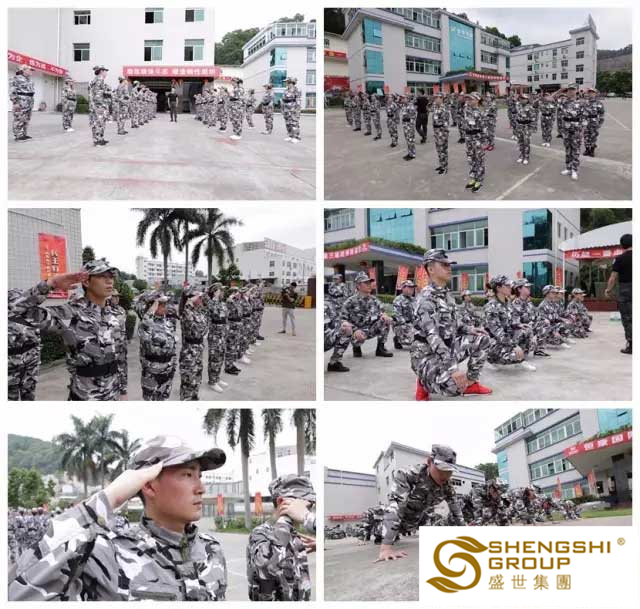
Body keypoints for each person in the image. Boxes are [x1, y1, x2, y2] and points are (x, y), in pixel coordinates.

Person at [9, 436, 228, 600]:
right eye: (188, 475)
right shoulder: (107, 554)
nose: (201, 488)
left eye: (200, 476)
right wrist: (110, 497)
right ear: (149, 486)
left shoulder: (212, 549)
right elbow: (16, 593)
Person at [8, 259, 127, 400]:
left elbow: (121, 354)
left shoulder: (116, 314)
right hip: (85, 395)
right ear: (86, 282)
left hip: (113, 392)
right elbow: (13, 311)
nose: (109, 281)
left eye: (111, 276)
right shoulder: (70, 313)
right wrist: (51, 284)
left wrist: (123, 390)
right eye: (102, 276)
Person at [411, 249, 492, 400]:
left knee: (483, 339)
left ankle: (471, 383)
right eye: (444, 265)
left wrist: (470, 329)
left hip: (447, 349)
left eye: (449, 265)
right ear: (430, 269)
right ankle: (423, 382)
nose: (449, 268)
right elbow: (433, 338)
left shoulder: (447, 295)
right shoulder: (425, 299)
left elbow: (455, 324)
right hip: (427, 355)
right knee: (454, 387)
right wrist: (453, 368)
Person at [378, 445, 465, 562]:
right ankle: (382, 534)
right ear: (429, 462)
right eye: (441, 469)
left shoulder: (447, 487)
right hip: (396, 519)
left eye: (449, 471)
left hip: (416, 521)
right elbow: (396, 506)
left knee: (436, 518)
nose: (445, 475)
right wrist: (386, 548)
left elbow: (457, 513)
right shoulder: (408, 475)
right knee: (382, 529)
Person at [246, 475, 316, 601]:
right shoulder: (260, 533)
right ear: (280, 502)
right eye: (305, 505)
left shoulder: (292, 533)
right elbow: (267, 567)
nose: (307, 510)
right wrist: (284, 519)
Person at [337, 272, 393, 361]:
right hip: (358, 331)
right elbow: (342, 320)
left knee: (385, 320)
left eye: (369, 283)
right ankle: (356, 347)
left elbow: (382, 311)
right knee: (350, 331)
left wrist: (384, 315)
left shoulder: (374, 300)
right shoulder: (350, 302)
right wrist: (354, 330)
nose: (369, 285)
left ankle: (380, 348)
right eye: (366, 283)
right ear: (358, 286)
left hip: (371, 329)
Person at [484, 275, 534, 370]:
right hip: (495, 341)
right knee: (513, 355)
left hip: (506, 339)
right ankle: (491, 360)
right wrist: (514, 345)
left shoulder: (508, 304)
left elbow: (510, 323)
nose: (510, 287)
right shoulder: (491, 306)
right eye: (507, 286)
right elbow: (498, 332)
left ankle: (520, 359)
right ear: (498, 288)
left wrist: (518, 325)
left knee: (525, 330)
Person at [138, 292, 178, 401]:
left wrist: (173, 367)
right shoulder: (146, 324)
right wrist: (151, 310)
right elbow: (145, 339)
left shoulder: (168, 322)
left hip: (167, 372)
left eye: (165, 304)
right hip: (152, 374)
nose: (165, 307)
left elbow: (172, 347)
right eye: (162, 304)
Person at [8, 288, 43, 400]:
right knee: (10, 395)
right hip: (10, 362)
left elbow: (36, 339)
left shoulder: (31, 317)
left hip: (31, 360)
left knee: (29, 393)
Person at [178, 286, 208, 400]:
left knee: (197, 379)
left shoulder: (198, 311)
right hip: (189, 353)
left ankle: (194, 397)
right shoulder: (186, 312)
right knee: (188, 381)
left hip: (198, 350)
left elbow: (204, 327)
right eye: (198, 296)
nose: (200, 298)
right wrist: (189, 302)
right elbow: (194, 326)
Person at [605, 233, 632, 354]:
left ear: (622, 245)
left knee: (627, 318)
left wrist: (608, 290)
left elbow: (613, 277)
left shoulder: (619, 258)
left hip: (625, 290)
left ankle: (632, 345)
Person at [554, 84, 586, 180]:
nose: (571, 91)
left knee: (575, 150)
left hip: (576, 130)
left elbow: (584, 118)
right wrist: (560, 90)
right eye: (569, 90)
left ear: (576, 91)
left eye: (573, 90)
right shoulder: (563, 102)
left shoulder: (581, 103)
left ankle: (574, 170)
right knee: (568, 150)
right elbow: (551, 98)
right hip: (566, 130)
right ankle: (568, 168)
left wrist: (582, 131)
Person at [461, 92, 486, 192]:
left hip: (477, 138)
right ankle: (473, 178)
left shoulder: (481, 112)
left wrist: (482, 142)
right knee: (470, 159)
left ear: (477, 100)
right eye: (469, 99)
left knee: (479, 159)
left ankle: (479, 180)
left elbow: (484, 128)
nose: (469, 100)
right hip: (468, 138)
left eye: (471, 99)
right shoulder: (467, 109)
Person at [324, 300, 352, 373]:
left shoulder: (329, 306)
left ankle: (334, 363)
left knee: (346, 328)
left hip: (326, 339)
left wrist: (344, 324)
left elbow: (336, 321)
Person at [10, 64, 35, 141]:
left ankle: (24, 134)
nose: (31, 71)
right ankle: (18, 135)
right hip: (21, 101)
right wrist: (15, 102)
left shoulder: (29, 80)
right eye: (30, 70)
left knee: (26, 118)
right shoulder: (16, 78)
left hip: (29, 101)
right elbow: (12, 90)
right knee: (19, 118)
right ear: (23, 70)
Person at [88, 65, 112, 146]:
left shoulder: (94, 80)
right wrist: (108, 94)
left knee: (98, 122)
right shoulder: (99, 79)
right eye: (105, 71)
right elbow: (98, 94)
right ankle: (97, 140)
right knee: (99, 122)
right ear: (101, 71)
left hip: (95, 105)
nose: (106, 73)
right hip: (99, 105)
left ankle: (99, 139)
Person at [392, 280, 416, 350]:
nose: (412, 289)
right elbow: (397, 316)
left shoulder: (414, 299)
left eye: (413, 288)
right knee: (413, 340)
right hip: (402, 324)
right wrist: (410, 327)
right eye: (409, 287)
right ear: (403, 288)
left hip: (413, 324)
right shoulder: (398, 300)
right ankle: (397, 338)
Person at [583, 88, 605, 156]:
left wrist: (600, 124)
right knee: (586, 136)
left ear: (595, 94)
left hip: (594, 123)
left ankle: (592, 151)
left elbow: (602, 114)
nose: (591, 94)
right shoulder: (584, 103)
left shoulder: (599, 103)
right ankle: (587, 150)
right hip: (586, 122)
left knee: (593, 137)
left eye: (592, 92)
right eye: (589, 92)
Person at [515, 93, 536, 165]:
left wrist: (531, 129)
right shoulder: (518, 105)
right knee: (520, 142)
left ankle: (526, 157)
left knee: (526, 142)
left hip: (526, 126)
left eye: (525, 99)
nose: (523, 100)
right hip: (519, 126)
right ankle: (521, 155)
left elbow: (533, 119)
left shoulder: (530, 107)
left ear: (527, 100)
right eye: (521, 98)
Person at [432, 92, 449, 174]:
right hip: (436, 131)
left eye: (437, 98)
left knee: (443, 150)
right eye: (435, 98)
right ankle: (441, 164)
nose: (435, 99)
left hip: (442, 132)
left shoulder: (444, 109)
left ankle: (444, 167)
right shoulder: (436, 107)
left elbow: (445, 124)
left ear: (442, 98)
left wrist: (444, 135)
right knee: (439, 149)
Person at [282, 76, 302, 143]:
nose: (286, 83)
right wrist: (283, 109)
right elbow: (283, 100)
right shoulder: (286, 90)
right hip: (286, 109)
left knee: (294, 123)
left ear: (291, 82)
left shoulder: (297, 90)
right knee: (288, 123)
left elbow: (298, 100)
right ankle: (290, 136)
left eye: (287, 82)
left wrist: (297, 110)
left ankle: (296, 137)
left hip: (293, 108)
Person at [400, 92, 417, 161]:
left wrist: (409, 124)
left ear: (408, 98)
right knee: (408, 140)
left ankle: (412, 154)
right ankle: (410, 153)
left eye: (404, 98)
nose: (402, 99)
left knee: (411, 140)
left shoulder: (411, 106)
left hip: (409, 126)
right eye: (402, 98)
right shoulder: (404, 106)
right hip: (405, 126)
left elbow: (414, 117)